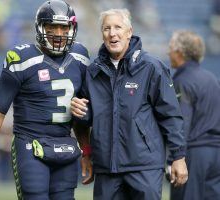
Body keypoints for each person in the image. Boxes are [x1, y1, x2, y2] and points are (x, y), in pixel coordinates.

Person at [0, 0, 90, 199]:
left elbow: (80, 113)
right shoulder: (21, 58)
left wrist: (86, 151)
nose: (59, 34)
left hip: (64, 145)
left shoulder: (80, 57)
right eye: (52, 27)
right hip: (30, 145)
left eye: (64, 27)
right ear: (40, 27)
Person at [71, 8, 188, 200]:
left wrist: (178, 157)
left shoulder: (152, 67)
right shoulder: (92, 72)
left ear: (129, 32)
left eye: (118, 27)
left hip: (145, 168)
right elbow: (87, 119)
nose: (112, 33)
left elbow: (171, 116)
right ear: (102, 34)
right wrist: (80, 113)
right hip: (106, 169)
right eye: (107, 28)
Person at [168, 30, 220, 200]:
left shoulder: (182, 81)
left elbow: (181, 122)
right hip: (216, 155)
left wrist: (175, 157)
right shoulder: (212, 78)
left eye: (171, 48)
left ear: (179, 51)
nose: (168, 53)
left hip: (194, 156)